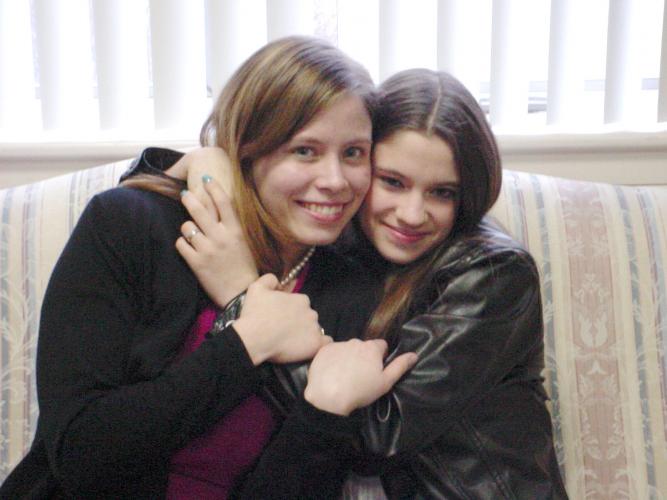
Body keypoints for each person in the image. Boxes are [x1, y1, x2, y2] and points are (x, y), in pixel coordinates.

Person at [0, 36, 417, 499]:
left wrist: (322, 412)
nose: (335, 181)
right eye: (305, 150)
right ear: (248, 150)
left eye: (354, 153)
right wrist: (247, 342)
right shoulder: (129, 226)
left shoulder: (350, 287)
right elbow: (80, 455)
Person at [145, 68, 568, 498]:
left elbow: (381, 432)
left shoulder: (492, 272)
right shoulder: (338, 239)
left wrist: (244, 299)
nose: (411, 214)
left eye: (442, 192)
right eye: (393, 182)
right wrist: (208, 161)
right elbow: (139, 206)